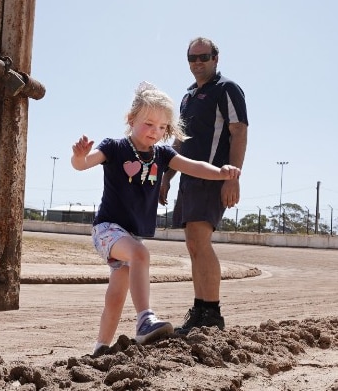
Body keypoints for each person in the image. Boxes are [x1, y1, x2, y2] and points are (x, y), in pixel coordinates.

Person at [71, 82, 241, 356]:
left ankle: (100, 348)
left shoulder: (162, 154)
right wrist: (78, 157)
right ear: (131, 119)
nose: (155, 132)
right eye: (149, 124)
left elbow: (194, 167)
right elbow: (84, 164)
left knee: (116, 296)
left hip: (129, 235)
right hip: (107, 230)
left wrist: (222, 172)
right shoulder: (114, 147)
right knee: (140, 254)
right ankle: (145, 319)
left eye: (162, 127)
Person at [159, 37, 248, 334]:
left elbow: (238, 132)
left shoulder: (227, 89)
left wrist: (232, 177)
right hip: (187, 177)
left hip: (213, 177)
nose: (197, 62)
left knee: (200, 240)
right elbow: (180, 141)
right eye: (192, 58)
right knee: (194, 244)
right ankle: (200, 311)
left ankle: (212, 314)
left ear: (216, 58)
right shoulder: (187, 97)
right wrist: (166, 177)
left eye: (203, 57)